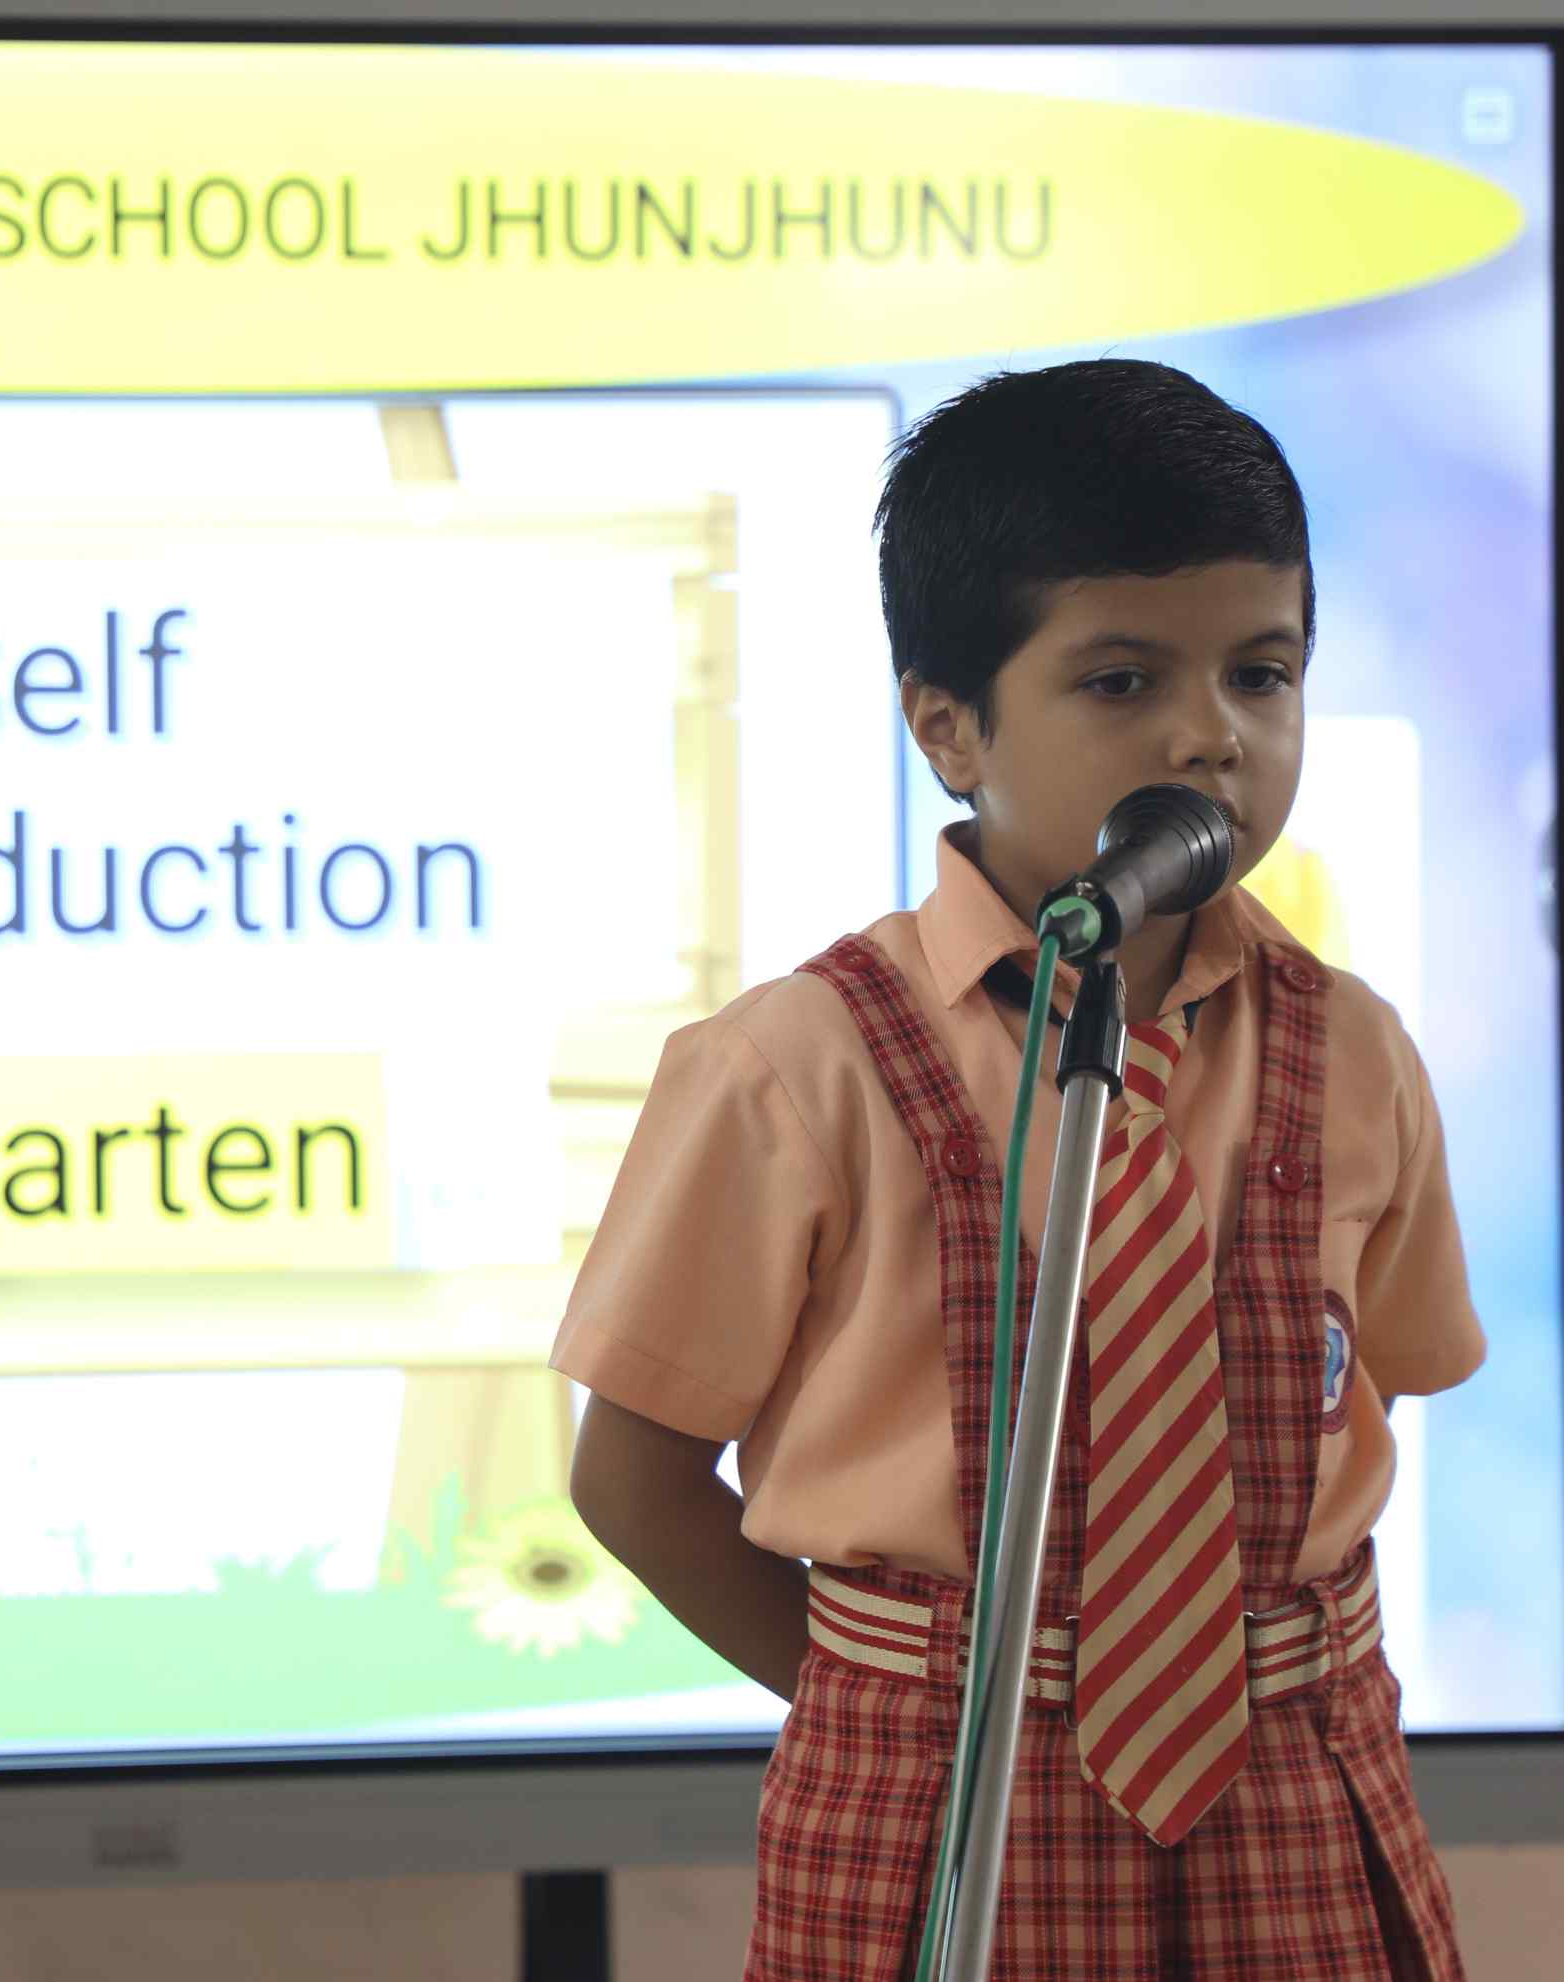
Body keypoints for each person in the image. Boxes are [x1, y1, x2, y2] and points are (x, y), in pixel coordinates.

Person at [552, 359, 1483, 1980]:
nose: (1208, 734)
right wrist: (894, 1701)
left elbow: (1367, 1395)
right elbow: (631, 1480)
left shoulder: (1355, 1051)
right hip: (933, 1808)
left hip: (1293, 1789)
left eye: (1260, 673)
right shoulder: (793, 1069)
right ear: (946, 724)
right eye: (1120, 680)